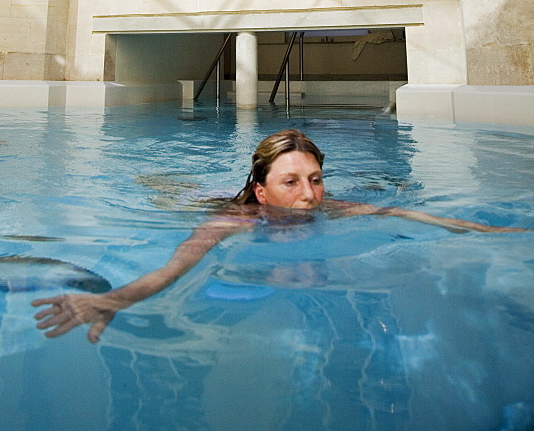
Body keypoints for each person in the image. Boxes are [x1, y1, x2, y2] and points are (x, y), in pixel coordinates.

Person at [32, 128, 525, 342]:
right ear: (263, 192)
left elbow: (407, 214)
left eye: (315, 179)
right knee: (173, 196)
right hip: (207, 203)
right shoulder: (237, 220)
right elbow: (174, 268)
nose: (309, 195)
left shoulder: (329, 207)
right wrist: (114, 300)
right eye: (291, 182)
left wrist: (496, 230)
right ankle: (159, 184)